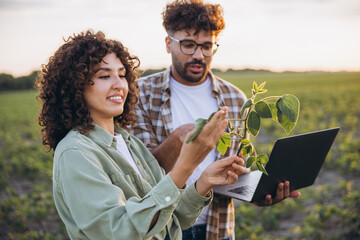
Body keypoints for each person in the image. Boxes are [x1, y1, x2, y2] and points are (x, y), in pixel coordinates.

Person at [35, 30, 247, 240]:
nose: (119, 84)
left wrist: (204, 181)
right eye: (105, 76)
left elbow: (168, 218)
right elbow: (119, 232)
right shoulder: (76, 152)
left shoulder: (128, 142)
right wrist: (185, 167)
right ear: (75, 85)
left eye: (122, 74)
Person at [130, 0, 301, 239]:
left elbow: (236, 172)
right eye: (188, 45)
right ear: (168, 43)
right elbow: (139, 175)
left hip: (217, 229)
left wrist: (258, 193)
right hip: (161, 228)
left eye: (207, 46)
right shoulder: (141, 94)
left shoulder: (235, 98)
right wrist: (179, 139)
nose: (199, 55)